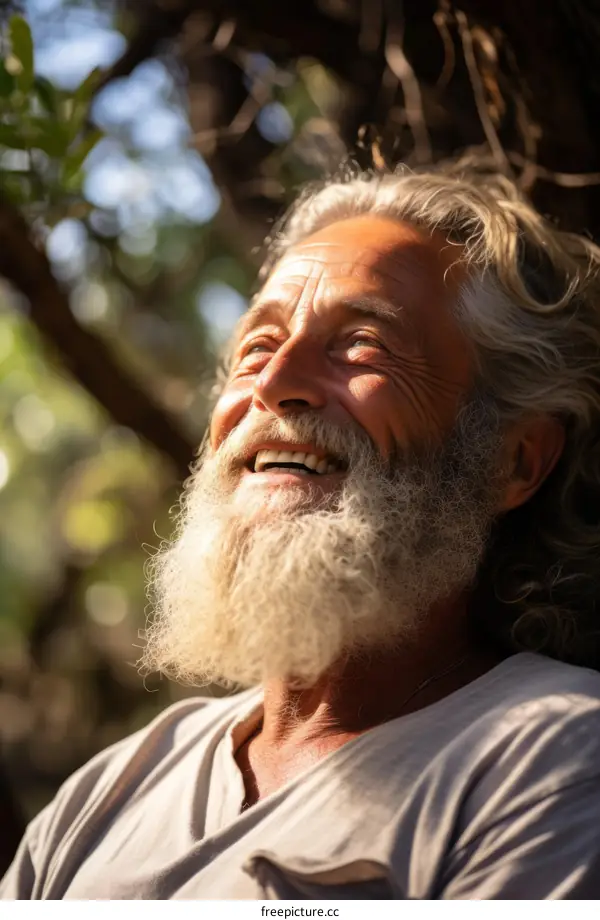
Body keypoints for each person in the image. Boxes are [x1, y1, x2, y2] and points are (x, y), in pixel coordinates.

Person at [4, 163, 600, 900]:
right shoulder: (107, 793)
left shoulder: (555, 760)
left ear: (515, 461)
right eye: (258, 345)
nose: (274, 381)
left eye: (361, 346)